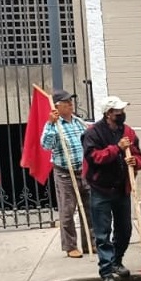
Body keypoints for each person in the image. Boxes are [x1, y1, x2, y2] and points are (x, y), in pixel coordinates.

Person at [82, 95, 141, 281]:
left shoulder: (128, 131)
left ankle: (117, 261)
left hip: (122, 188)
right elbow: (94, 157)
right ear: (109, 114)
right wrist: (117, 148)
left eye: (122, 111)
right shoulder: (93, 133)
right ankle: (106, 274)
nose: (122, 115)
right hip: (100, 189)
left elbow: (137, 155)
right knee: (103, 233)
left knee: (125, 229)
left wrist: (135, 162)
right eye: (118, 112)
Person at [40, 89, 92, 259]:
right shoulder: (54, 125)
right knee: (68, 211)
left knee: (90, 208)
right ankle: (70, 246)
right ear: (57, 106)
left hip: (83, 171)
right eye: (66, 102)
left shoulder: (77, 122)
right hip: (65, 173)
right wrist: (50, 124)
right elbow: (46, 145)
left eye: (71, 101)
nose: (71, 104)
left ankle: (91, 243)